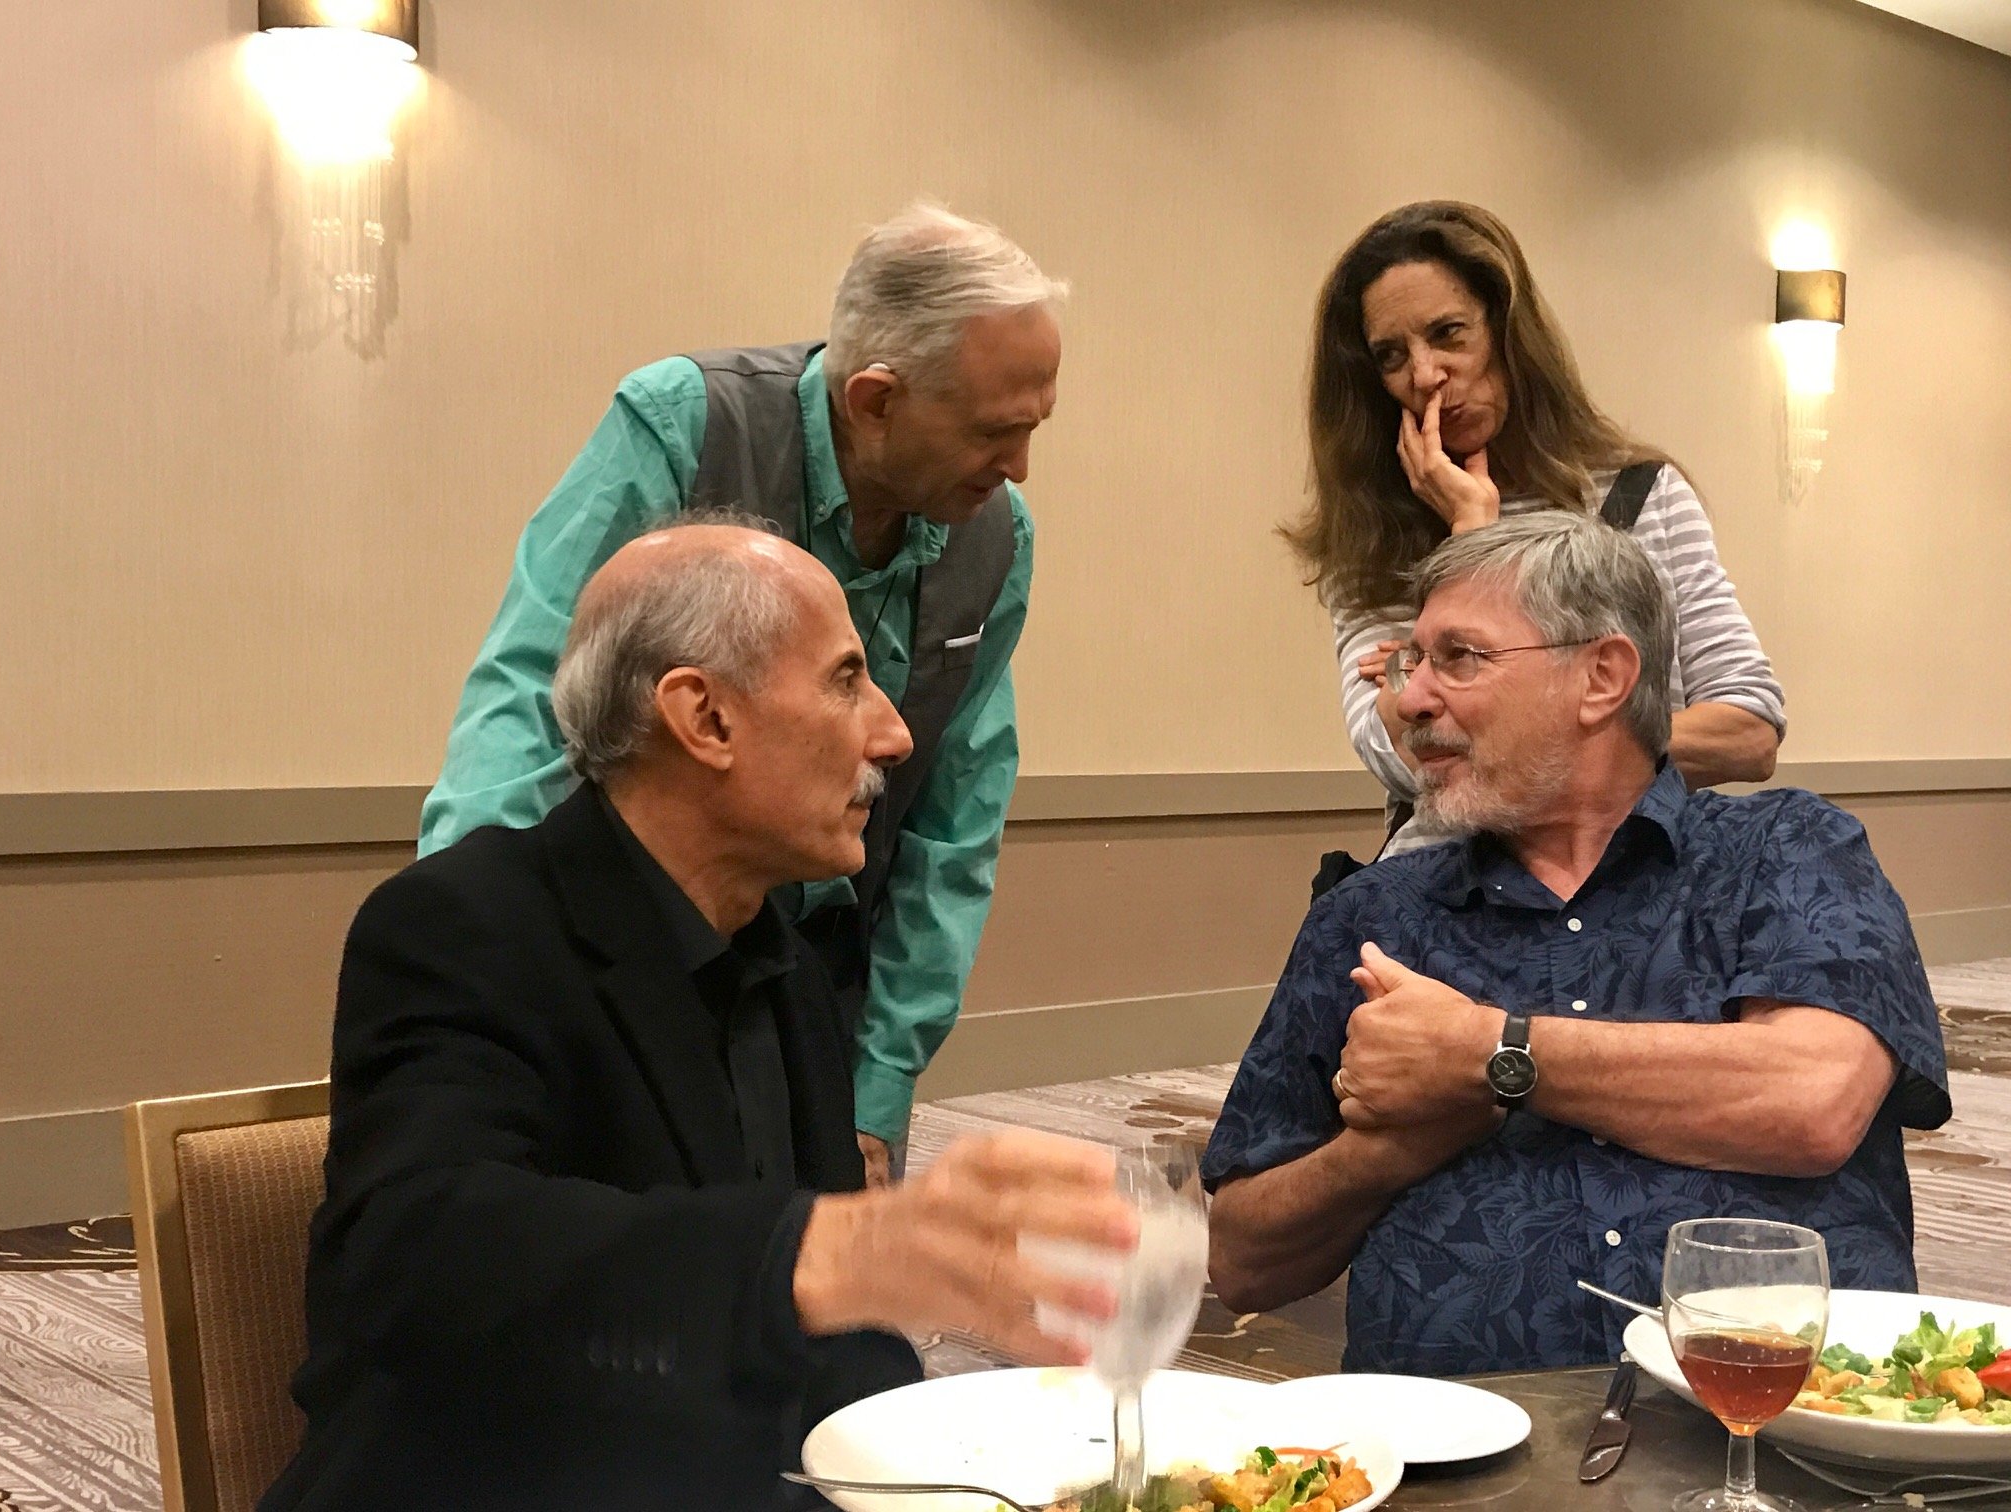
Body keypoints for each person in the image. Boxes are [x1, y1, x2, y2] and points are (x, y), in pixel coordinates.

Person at [260, 519, 1138, 1512]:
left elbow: (838, 1357)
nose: (893, 733)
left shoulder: (789, 967)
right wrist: (833, 1248)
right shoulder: (464, 923)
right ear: (706, 719)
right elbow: (418, 1258)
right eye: (848, 680)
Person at [1204, 512, 1949, 1375]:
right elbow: (1242, 1261)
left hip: (1775, 1436)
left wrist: (1491, 1054)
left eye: (1459, 658)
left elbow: (1813, 1099)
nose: (1407, 699)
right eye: (1411, 662)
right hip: (1463, 1459)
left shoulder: (1785, 850)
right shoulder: (1374, 917)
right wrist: (1385, 1153)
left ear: (1602, 676)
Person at [420, 202, 1065, 1184]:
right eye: (993, 433)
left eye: (1032, 431)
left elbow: (951, 833)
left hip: (815, 990)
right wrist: (473, 953)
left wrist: (879, 1081)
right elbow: (530, 691)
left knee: (807, 1297)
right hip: (635, 951)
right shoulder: (686, 423)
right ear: (876, 399)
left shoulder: (995, 534)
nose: (1017, 468)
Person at [1283, 200, 1785, 856]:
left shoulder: (1642, 494)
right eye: (1391, 355)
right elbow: (1399, 755)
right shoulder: (1371, 539)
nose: (1426, 375)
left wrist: (1493, 712)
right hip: (1453, 890)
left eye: (1449, 333)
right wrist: (1471, 537)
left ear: (1506, 332)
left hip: (1636, 886)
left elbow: (1748, 731)